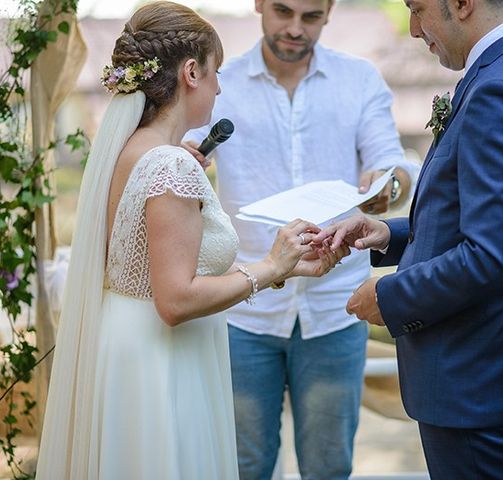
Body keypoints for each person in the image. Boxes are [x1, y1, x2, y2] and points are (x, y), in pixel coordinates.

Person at [35, 2, 347, 479]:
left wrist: (284, 268)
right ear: (191, 72)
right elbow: (176, 299)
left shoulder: (130, 150)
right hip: (163, 363)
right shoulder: (170, 165)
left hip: (129, 349)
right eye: (216, 71)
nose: (221, 85)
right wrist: (269, 266)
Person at [315, 0, 503, 478]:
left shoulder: (502, 89)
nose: (415, 29)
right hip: (485, 374)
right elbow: (479, 221)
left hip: (475, 377)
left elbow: (490, 258)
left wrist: (390, 296)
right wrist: (386, 235)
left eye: (418, 9)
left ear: (461, 3)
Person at [183, 1, 419, 478]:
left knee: (329, 466)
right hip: (243, 309)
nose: (294, 28)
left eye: (310, 16)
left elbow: (396, 166)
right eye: (283, 11)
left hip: (335, 307)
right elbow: (178, 148)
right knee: (244, 465)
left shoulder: (360, 79)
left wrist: (387, 187)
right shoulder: (217, 82)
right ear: (258, 5)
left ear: (330, 10)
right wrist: (185, 158)